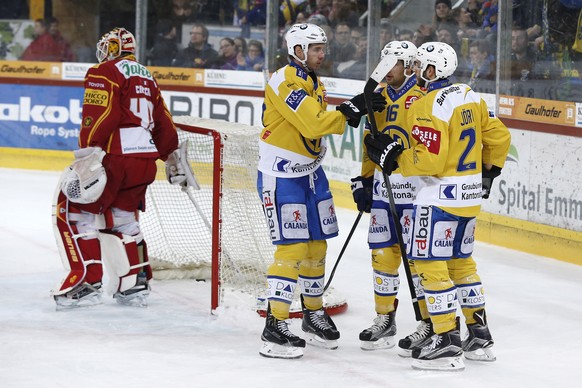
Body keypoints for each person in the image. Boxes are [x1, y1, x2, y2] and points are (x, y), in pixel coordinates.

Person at [364, 41, 511, 371]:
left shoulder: (428, 104)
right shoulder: (470, 95)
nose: (415, 71)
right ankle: (479, 335)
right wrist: (490, 171)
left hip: (438, 197)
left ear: (432, 70)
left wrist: (393, 158)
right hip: (469, 197)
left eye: (419, 66)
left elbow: (428, 160)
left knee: (430, 266)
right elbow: (500, 137)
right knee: (462, 264)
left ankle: (445, 341)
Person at [257, 23, 386, 359]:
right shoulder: (284, 79)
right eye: (315, 49)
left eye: (322, 48)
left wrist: (350, 112)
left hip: (312, 174)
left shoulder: (314, 80)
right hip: (281, 175)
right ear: (297, 49)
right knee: (292, 248)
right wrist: (350, 109)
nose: (322, 54)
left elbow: (322, 120)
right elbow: (313, 123)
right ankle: (275, 323)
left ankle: (312, 314)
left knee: (316, 245)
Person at [50, 27, 195, 309]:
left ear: (114, 48)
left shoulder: (104, 71)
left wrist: (90, 152)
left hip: (115, 158)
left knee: (71, 211)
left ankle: (85, 282)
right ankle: (134, 282)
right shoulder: (146, 75)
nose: (103, 53)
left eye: (107, 47)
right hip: (144, 161)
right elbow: (164, 120)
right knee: (124, 219)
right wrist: (171, 156)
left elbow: (101, 114)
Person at [351, 40, 427, 351]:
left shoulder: (424, 98)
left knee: (421, 261)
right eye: (382, 63)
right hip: (385, 191)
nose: (385, 70)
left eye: (392, 64)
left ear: (410, 67)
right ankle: (385, 319)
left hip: (418, 193)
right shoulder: (377, 98)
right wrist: (364, 181)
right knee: (382, 256)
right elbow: (371, 142)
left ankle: (429, 322)